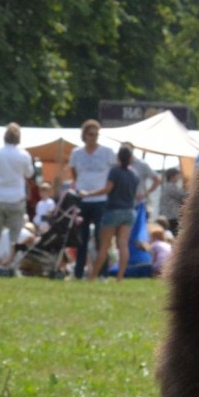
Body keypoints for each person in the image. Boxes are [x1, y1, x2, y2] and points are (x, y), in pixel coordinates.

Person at [68, 120, 116, 279]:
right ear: (84, 135)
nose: (94, 137)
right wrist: (80, 187)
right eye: (91, 134)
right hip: (82, 200)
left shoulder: (107, 152)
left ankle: (101, 272)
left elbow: (113, 173)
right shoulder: (77, 153)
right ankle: (79, 272)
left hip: (101, 200)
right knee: (81, 238)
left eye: (96, 134)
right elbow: (73, 172)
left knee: (99, 237)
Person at [0, 123, 34, 277]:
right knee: (15, 238)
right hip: (16, 200)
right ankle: (12, 269)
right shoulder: (24, 155)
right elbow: (29, 173)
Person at [90, 143, 139, 281]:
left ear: (118, 157)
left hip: (113, 210)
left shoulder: (115, 171)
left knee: (104, 245)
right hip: (129, 211)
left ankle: (93, 276)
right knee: (123, 244)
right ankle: (120, 277)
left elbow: (107, 189)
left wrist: (88, 194)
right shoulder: (134, 174)